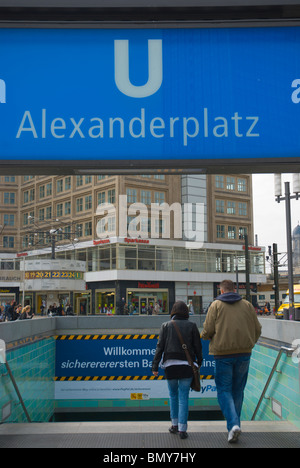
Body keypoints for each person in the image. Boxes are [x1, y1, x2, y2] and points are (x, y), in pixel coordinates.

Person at [201, 279, 261, 443]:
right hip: (244, 354)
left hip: (223, 354)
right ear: (234, 290)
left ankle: (233, 425)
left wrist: (205, 336)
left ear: (221, 291)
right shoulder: (247, 305)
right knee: (238, 391)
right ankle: (234, 427)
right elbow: (258, 328)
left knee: (224, 390)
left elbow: (208, 330)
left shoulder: (216, 306)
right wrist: (250, 343)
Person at [152, 301, 202, 439]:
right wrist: (199, 363)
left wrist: (155, 366)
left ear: (173, 311)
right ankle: (182, 429)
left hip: (170, 366)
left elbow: (159, 347)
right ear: (186, 312)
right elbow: (198, 347)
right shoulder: (192, 326)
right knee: (183, 397)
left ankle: (174, 425)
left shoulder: (165, 326)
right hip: (187, 366)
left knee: (173, 395)